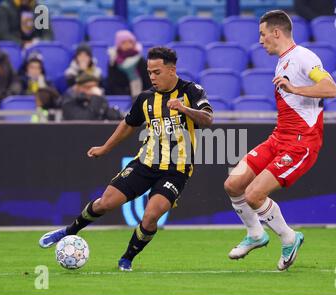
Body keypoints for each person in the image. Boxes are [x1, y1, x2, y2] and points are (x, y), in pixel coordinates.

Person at [39, 47, 213, 271]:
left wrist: (184, 108)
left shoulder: (192, 91)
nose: (152, 77)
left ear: (172, 70)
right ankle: (69, 231)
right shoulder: (146, 98)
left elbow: (208, 120)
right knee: (105, 203)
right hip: (145, 163)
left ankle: (127, 259)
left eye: (157, 72)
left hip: (176, 169)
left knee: (150, 216)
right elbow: (128, 124)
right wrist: (105, 148)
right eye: (149, 72)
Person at [224, 10, 336, 271]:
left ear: (276, 32)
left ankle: (289, 237)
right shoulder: (283, 61)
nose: (261, 40)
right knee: (233, 184)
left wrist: (295, 88)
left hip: (301, 142)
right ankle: (255, 235)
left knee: (254, 194)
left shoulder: (303, 57)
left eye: (263, 35)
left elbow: (331, 88)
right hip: (278, 138)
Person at [106, 30, 151, 97]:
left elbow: (148, 82)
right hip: (120, 97)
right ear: (118, 45)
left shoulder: (141, 61)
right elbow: (112, 84)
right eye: (124, 42)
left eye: (130, 42)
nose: (128, 45)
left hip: (140, 96)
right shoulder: (113, 62)